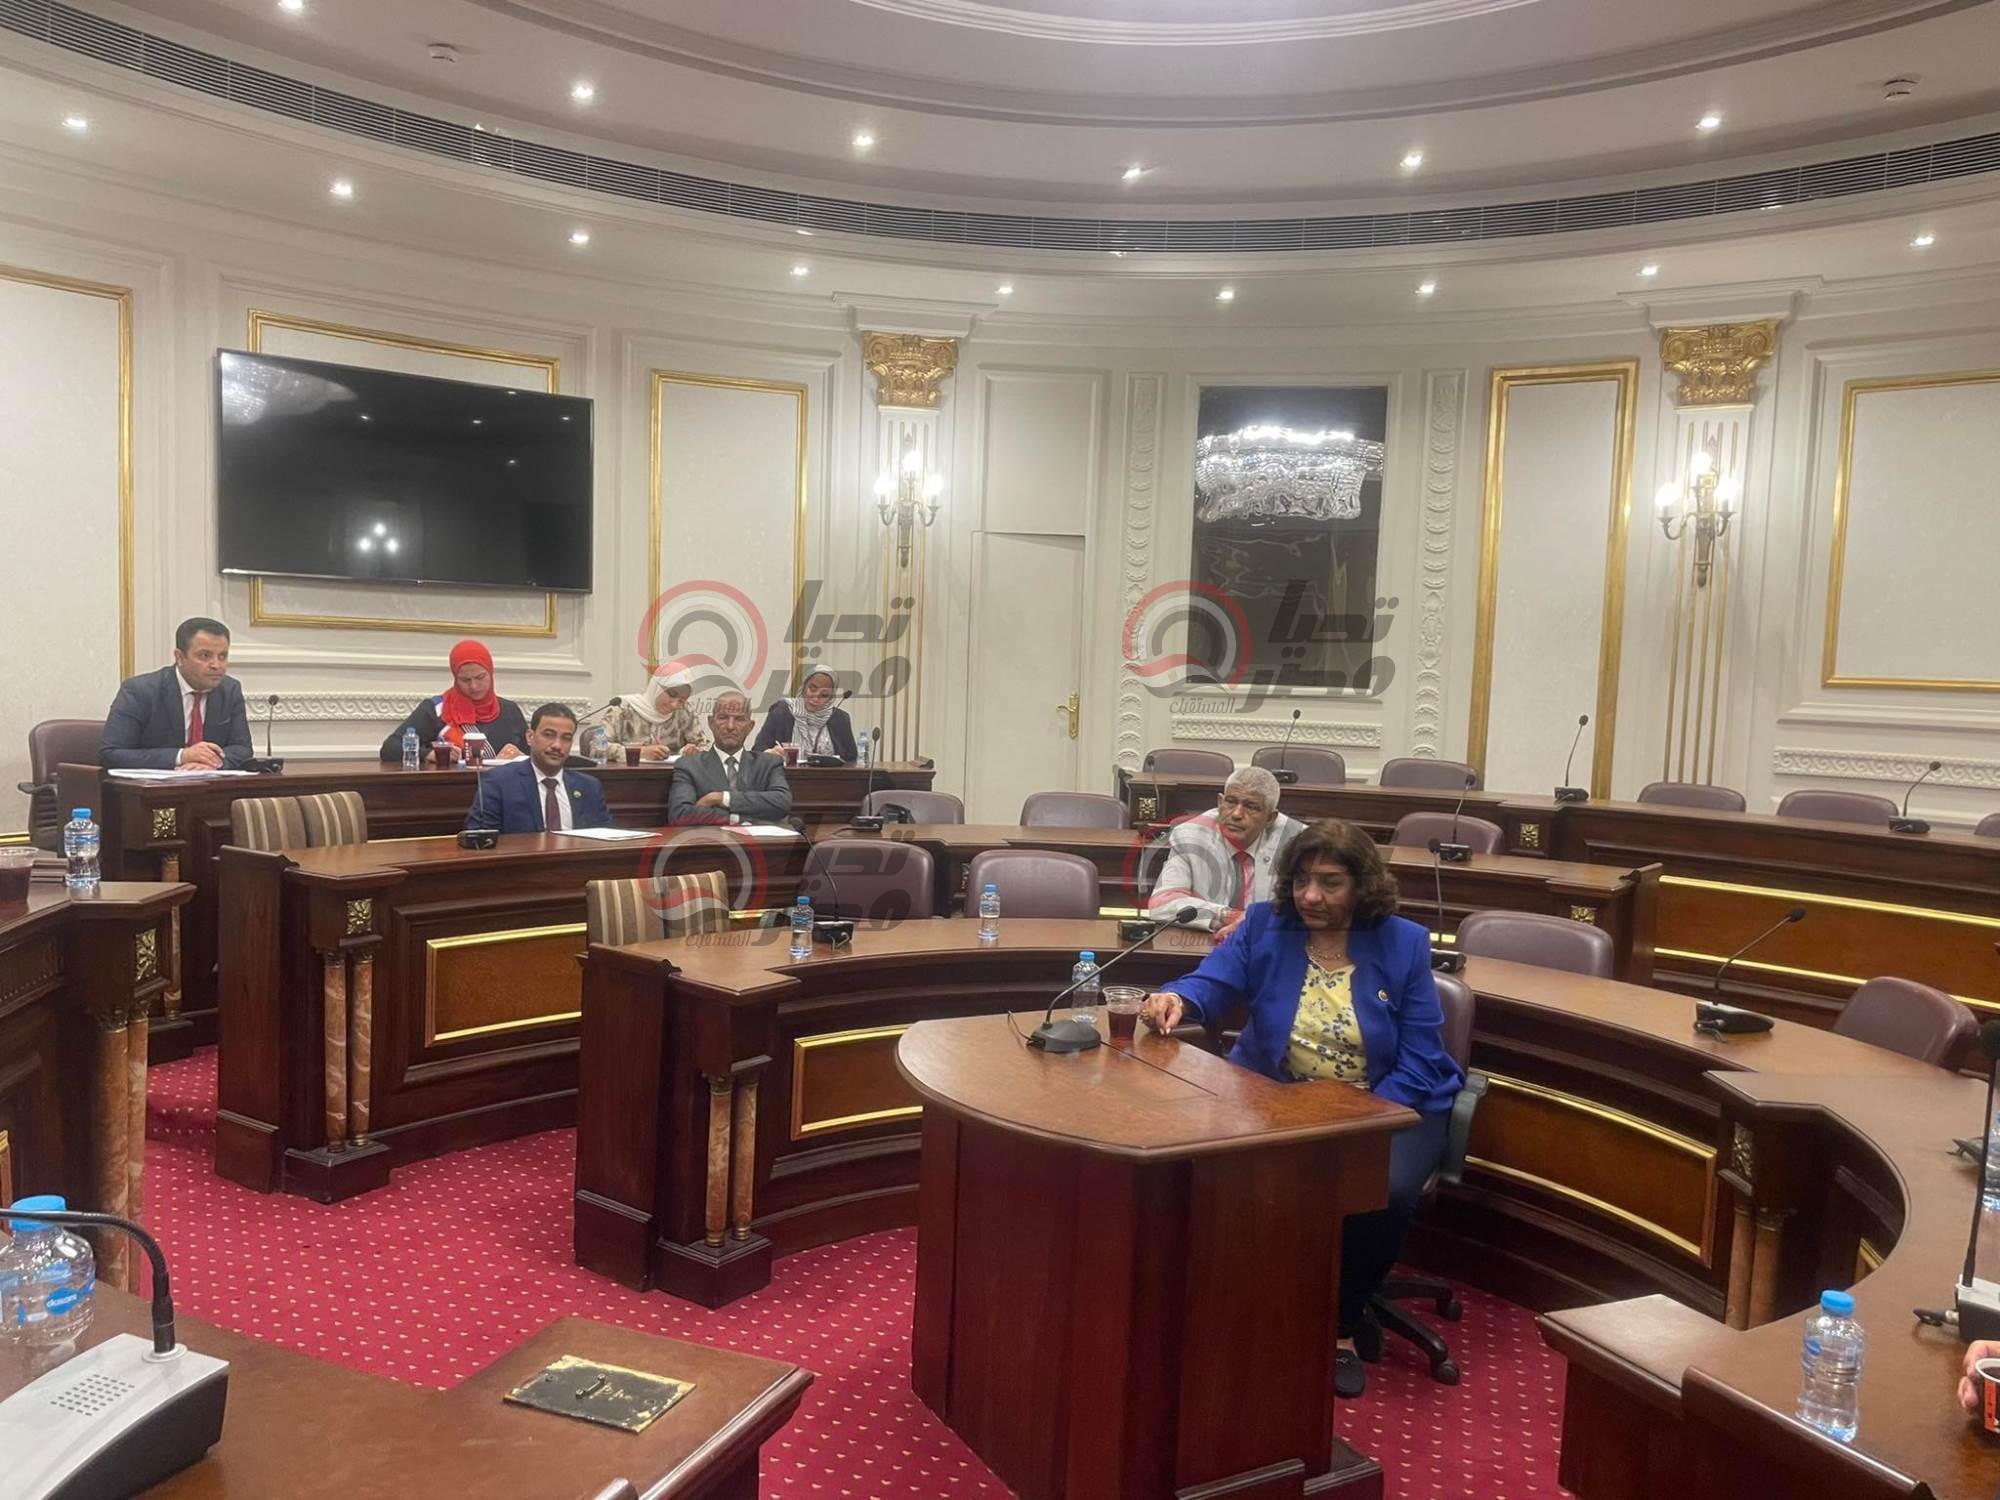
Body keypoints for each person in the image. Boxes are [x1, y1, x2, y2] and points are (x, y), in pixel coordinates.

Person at [1138, 818, 1463, 1399]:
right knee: (1210, 1160)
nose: (1311, 895)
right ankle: (1246, 1300)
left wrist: (1357, 1117)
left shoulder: (1403, 942)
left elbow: (1420, 1057)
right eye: (1301, 880)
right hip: (1280, 1095)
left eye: (1330, 883)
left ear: (1362, 886)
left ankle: (1341, 1326)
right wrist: (1178, 996)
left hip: (1390, 1101)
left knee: (1383, 1192)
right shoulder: (1267, 925)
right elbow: (1214, 981)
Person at [1146, 765, 1303, 938]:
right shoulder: (1190, 836)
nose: (1236, 814)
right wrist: (1227, 915)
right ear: (1220, 802)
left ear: (1270, 818)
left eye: (1251, 807)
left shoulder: (1298, 842)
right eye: (1231, 802)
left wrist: (1255, 920)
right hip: (1206, 941)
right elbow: (1162, 903)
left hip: (1270, 941)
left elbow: (1306, 906)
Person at [100, 616, 254, 770]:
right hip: (157, 783)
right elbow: (111, 754)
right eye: (205, 656)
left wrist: (213, 763)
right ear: (179, 657)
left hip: (211, 782)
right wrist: (181, 756)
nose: (216, 665)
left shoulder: (230, 690)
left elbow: (242, 749)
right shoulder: (140, 691)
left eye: (222, 656)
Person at [463, 703, 609, 833]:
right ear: (530, 737)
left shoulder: (589, 787)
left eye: (566, 738)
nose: (557, 745)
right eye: (549, 735)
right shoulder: (498, 782)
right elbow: (480, 840)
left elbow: (605, 839)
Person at [379, 640, 529, 762]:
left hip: (504, 787)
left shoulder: (510, 710)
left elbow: (532, 753)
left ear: (490, 672)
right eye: (465, 680)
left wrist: (520, 756)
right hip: (454, 787)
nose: (474, 686)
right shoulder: (436, 709)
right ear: (455, 679)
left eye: (480, 677)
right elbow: (390, 749)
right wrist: (430, 754)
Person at [669, 690, 794, 825]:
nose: (730, 726)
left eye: (739, 719)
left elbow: (782, 802)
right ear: (711, 722)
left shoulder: (768, 763)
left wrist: (721, 798)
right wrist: (740, 819)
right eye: (723, 718)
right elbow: (680, 814)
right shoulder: (689, 765)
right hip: (711, 838)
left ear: (750, 726)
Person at [601, 662, 706, 761]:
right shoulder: (622, 709)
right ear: (657, 687)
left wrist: (692, 751)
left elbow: (703, 748)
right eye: (672, 695)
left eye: (681, 700)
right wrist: (640, 753)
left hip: (673, 773)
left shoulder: (685, 712)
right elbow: (598, 747)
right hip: (628, 773)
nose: (675, 705)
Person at [752, 667, 857, 763]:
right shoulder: (782, 711)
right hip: (785, 775)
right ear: (803, 687)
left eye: (824, 695)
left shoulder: (839, 718)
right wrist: (770, 753)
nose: (815, 698)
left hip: (830, 777)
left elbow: (852, 759)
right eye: (812, 689)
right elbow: (758, 750)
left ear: (831, 698)